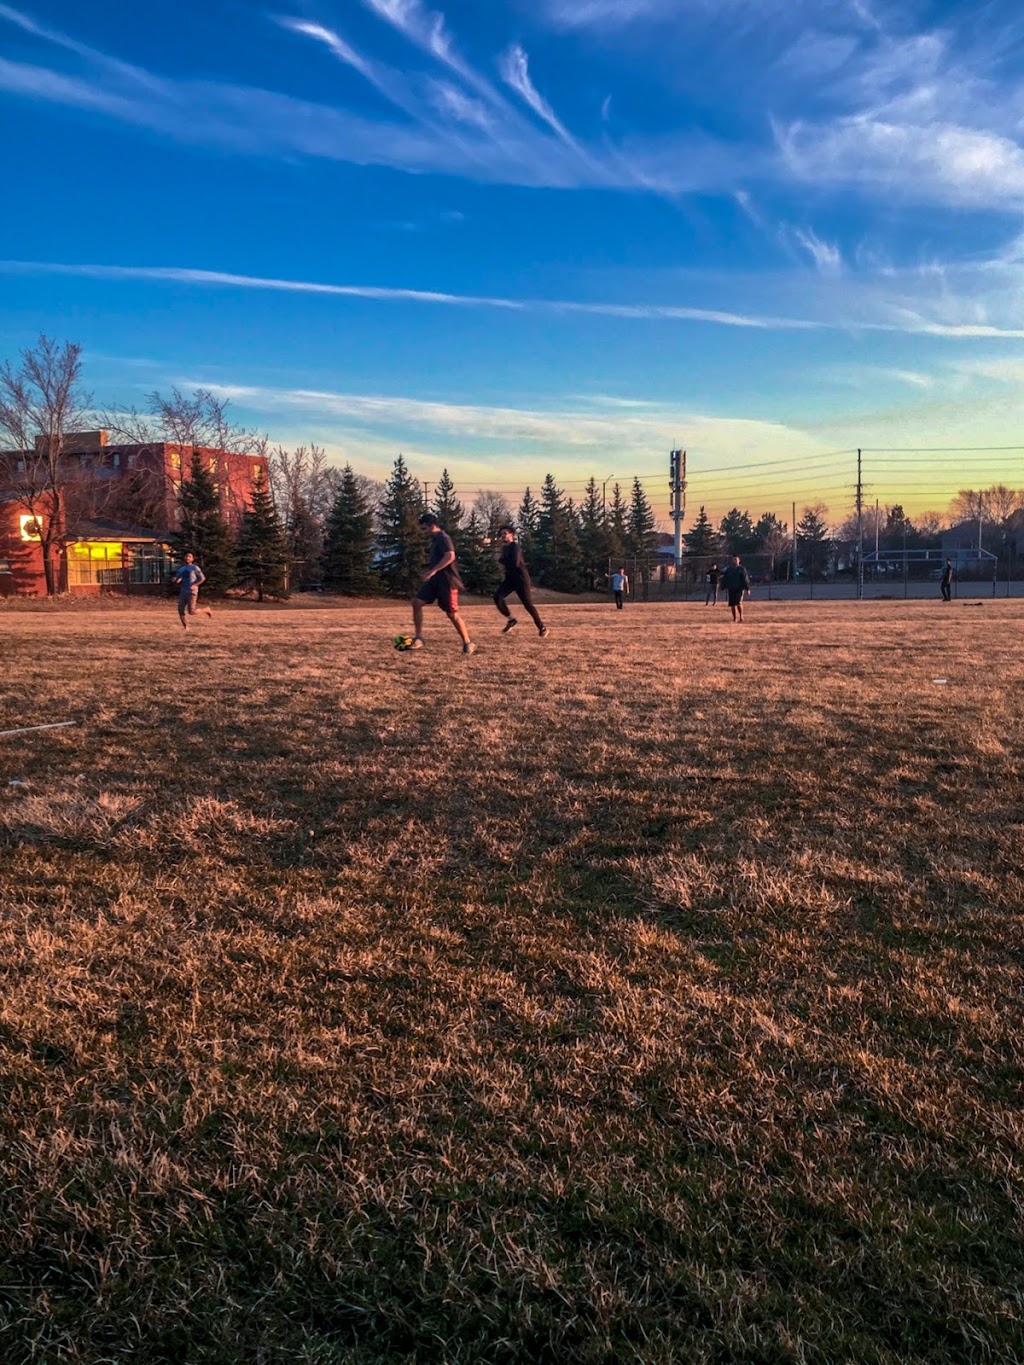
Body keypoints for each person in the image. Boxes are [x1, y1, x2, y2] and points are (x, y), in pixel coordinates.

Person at [410, 513, 476, 654]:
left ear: (432, 526)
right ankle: (419, 638)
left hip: (447, 582)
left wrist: (433, 571)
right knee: (416, 602)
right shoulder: (435, 540)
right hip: (434, 581)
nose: (423, 532)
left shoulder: (443, 538)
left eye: (424, 529)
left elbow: (450, 555)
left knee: (452, 614)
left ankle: (467, 642)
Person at [493, 525, 548, 637]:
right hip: (510, 579)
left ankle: (541, 627)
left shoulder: (515, 547)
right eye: (501, 534)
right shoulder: (505, 548)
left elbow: (514, 563)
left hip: (521, 579)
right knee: (497, 597)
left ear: (511, 535)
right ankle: (511, 620)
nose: (503, 535)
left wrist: (500, 559)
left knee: (527, 604)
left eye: (505, 533)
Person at [172, 552, 212, 630]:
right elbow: (178, 579)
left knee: (191, 612)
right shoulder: (181, 569)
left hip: (192, 592)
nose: (187, 558)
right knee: (180, 610)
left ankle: (206, 610)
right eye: (186, 556)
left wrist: (195, 585)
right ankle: (186, 627)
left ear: (192, 559)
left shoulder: (195, 568)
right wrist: (176, 580)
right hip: (183, 591)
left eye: (189, 557)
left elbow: (202, 578)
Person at [720, 555, 751, 623]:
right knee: (732, 604)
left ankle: (741, 616)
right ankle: (734, 618)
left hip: (739, 589)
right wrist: (722, 587)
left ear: (739, 561)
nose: (735, 561)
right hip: (731, 589)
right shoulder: (729, 570)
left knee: (739, 603)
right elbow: (725, 579)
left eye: (736, 559)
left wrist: (747, 588)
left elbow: (745, 579)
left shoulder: (742, 569)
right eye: (734, 560)